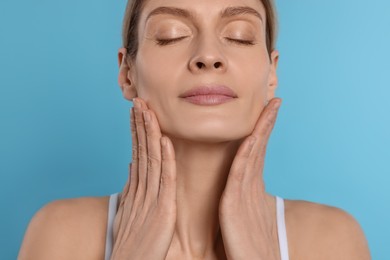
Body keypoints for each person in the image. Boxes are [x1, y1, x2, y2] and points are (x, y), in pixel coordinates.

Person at [18, 0, 371, 259]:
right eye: (171, 35)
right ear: (128, 73)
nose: (208, 55)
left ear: (272, 73)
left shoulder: (330, 241)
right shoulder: (63, 235)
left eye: (240, 36)